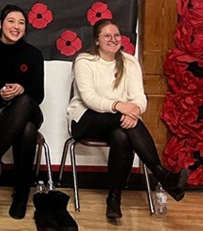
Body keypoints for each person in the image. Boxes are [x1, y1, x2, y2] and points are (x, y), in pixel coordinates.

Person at [69, 18, 190, 219]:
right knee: (122, 123)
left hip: (119, 121)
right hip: (85, 119)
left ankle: (114, 200)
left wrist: (134, 110)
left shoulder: (129, 62)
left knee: (122, 137)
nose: (113, 39)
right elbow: (89, 99)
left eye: (116, 35)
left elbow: (139, 97)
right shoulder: (84, 61)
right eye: (107, 36)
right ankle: (161, 174)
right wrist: (120, 106)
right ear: (97, 40)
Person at [0, 4, 45, 220]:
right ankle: (21, 195)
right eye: (11, 21)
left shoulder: (33, 54)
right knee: (27, 129)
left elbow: (38, 96)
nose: (16, 26)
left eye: (21, 23)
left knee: (24, 101)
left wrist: (22, 90)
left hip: (28, 108)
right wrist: (0, 95)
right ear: (1, 24)